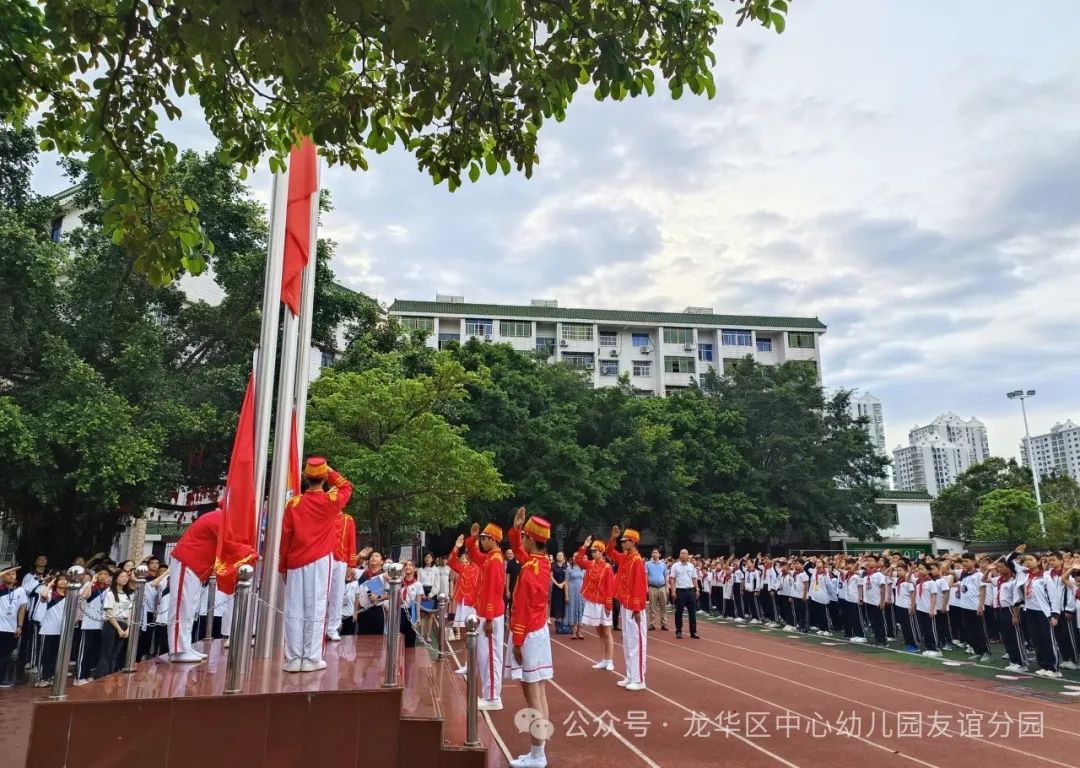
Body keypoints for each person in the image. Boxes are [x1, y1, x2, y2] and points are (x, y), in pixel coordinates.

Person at [279, 457, 354, 673]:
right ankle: (311, 657)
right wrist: (331, 471)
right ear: (323, 478)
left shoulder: (293, 503)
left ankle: (293, 658)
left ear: (305, 477)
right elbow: (347, 486)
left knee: (294, 608)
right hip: (320, 560)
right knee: (317, 605)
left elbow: (286, 536)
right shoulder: (330, 501)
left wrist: (282, 565)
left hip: (295, 560)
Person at [505, 508, 554, 768]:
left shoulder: (529, 570)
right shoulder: (542, 563)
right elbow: (523, 554)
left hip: (529, 634)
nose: (521, 539)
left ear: (532, 539)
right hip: (539, 632)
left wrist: (517, 642)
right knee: (540, 693)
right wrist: (516, 528)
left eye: (524, 536)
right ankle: (539, 750)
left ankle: (538, 754)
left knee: (532, 695)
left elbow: (521, 607)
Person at [167, 508, 222, 663]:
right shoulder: (219, 518)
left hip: (196, 566)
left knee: (189, 607)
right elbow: (228, 545)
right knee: (182, 606)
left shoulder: (219, 517)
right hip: (188, 561)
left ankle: (185, 646)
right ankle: (178, 650)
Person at [465, 522, 506, 710]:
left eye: (483, 538)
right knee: (484, 655)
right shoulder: (490, 557)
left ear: (493, 539)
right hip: (486, 612)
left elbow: (494, 590)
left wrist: (489, 617)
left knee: (490, 656)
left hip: (491, 614)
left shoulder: (496, 560)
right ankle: (489, 693)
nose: (481, 541)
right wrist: (472, 539)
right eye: (480, 538)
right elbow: (474, 556)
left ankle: (492, 697)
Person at [606, 525, 647, 691]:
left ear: (633, 542)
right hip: (625, 603)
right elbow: (610, 552)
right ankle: (630, 674)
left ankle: (639, 679)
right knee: (628, 641)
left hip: (634, 606)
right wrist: (613, 538)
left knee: (637, 641)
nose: (622, 543)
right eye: (621, 541)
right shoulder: (625, 558)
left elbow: (639, 584)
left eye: (625, 541)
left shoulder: (637, 560)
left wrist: (637, 608)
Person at [575, 536, 615, 669]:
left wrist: (608, 604)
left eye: (595, 551)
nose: (593, 553)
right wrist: (584, 546)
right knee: (599, 631)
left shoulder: (607, 567)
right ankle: (604, 659)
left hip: (603, 603)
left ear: (601, 552)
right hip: (592, 602)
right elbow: (578, 560)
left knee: (607, 631)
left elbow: (609, 587)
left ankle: (610, 660)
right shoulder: (590, 564)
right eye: (592, 551)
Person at [74, 569, 110, 685]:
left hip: (101, 624)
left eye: (106, 574)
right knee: (85, 650)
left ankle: (88, 674)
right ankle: (79, 676)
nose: (103, 576)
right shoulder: (90, 586)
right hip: (89, 623)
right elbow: (84, 596)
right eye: (101, 574)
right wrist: (92, 582)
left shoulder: (107, 589)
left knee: (94, 652)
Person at [326, 510, 358, 642]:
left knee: (337, 595)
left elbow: (351, 541)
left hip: (341, 560)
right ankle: (319, 627)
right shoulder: (323, 515)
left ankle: (332, 628)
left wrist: (351, 564)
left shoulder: (348, 519)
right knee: (321, 595)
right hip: (324, 559)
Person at [96, 569, 133, 677]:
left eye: (126, 576)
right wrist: (119, 629)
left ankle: (111, 675)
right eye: (122, 576)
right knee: (106, 653)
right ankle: (101, 677)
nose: (125, 579)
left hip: (124, 624)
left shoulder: (127, 595)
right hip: (112, 625)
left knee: (115, 654)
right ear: (116, 579)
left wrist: (128, 629)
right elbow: (109, 613)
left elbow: (129, 613)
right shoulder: (110, 594)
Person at [0, 566, 28, 688]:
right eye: (8, 574)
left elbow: (22, 609)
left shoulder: (20, 591)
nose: (11, 576)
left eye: (13, 574)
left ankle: (1, 679)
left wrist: (19, 625)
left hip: (11, 628)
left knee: (6, 655)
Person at [447, 542, 479, 644]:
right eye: (462, 559)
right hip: (464, 600)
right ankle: (467, 651)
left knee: (476, 626)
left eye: (465, 559)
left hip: (475, 601)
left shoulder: (479, 567)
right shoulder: (462, 568)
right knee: (464, 626)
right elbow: (451, 562)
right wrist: (456, 547)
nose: (463, 561)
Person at [669, 549, 700, 640]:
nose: (682, 555)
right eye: (681, 553)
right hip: (680, 590)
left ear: (688, 556)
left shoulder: (691, 566)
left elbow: (694, 578)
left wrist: (697, 589)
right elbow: (672, 579)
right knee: (679, 611)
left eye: (684, 553)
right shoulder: (675, 566)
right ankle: (679, 631)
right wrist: (673, 591)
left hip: (690, 590)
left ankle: (693, 631)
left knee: (692, 612)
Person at [645, 549, 668, 631]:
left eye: (656, 552)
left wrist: (667, 587)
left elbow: (665, 575)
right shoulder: (647, 564)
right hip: (652, 587)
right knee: (652, 607)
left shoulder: (663, 564)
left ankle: (664, 624)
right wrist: (646, 587)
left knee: (664, 606)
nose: (654, 554)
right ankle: (652, 624)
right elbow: (646, 576)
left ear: (659, 555)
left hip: (662, 587)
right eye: (653, 552)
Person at [566, 553, 585, 640]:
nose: (575, 558)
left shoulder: (583, 569)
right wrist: (566, 594)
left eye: (577, 556)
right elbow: (566, 582)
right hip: (572, 592)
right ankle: (573, 631)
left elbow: (586, 582)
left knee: (581, 609)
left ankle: (580, 631)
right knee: (573, 609)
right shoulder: (569, 569)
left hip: (581, 593)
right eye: (574, 556)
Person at [549, 552, 568, 634]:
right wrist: (557, 584)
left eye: (560, 555)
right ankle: (558, 624)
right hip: (556, 588)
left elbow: (568, 577)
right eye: (557, 555)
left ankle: (564, 625)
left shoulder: (566, 566)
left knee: (564, 605)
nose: (559, 556)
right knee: (557, 605)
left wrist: (563, 584)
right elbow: (551, 576)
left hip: (564, 588)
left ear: (563, 557)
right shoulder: (553, 565)